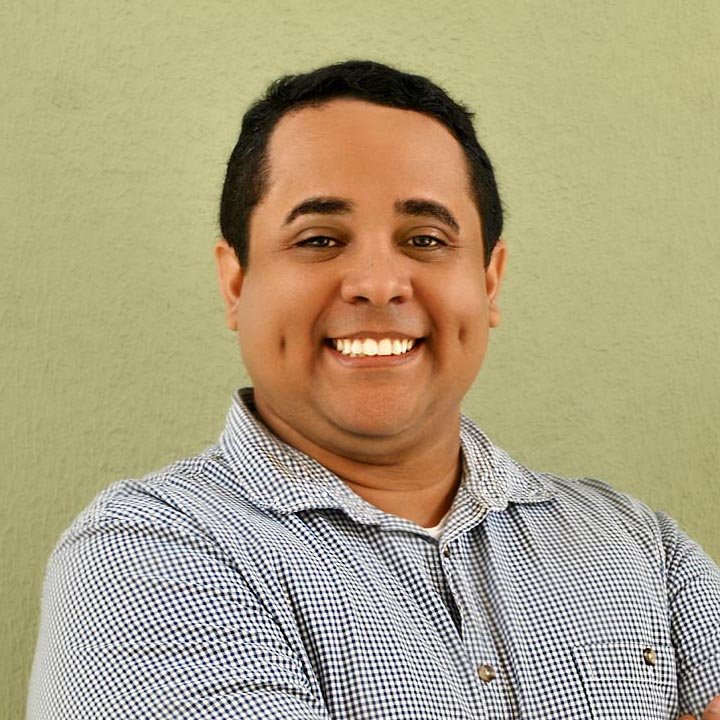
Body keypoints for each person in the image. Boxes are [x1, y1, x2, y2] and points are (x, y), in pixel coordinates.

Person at [28, 60, 719, 719]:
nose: (379, 284)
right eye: (320, 240)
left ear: (489, 282)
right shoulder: (144, 552)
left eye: (425, 239)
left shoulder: (644, 546)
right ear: (236, 282)